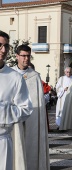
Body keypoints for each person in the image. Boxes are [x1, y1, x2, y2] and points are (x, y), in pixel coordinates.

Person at [12, 45, 50, 170]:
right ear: (17, 56)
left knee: (32, 145)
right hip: (14, 117)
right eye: (23, 56)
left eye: (28, 56)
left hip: (32, 118)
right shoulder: (10, 74)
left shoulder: (35, 76)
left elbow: (39, 100)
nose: (26, 59)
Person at [0, 30, 33, 170]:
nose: (3, 50)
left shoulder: (15, 77)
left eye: (6, 46)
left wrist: (4, 110)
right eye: (0, 45)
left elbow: (26, 108)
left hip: (2, 140)